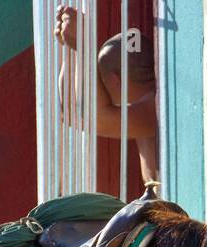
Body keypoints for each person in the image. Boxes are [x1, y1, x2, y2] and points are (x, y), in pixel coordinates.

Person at [54, 5, 160, 184]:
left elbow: (94, 120)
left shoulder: (153, 107)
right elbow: (72, 115)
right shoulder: (138, 109)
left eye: (98, 79)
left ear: (114, 79)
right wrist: (70, 49)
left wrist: (84, 47)